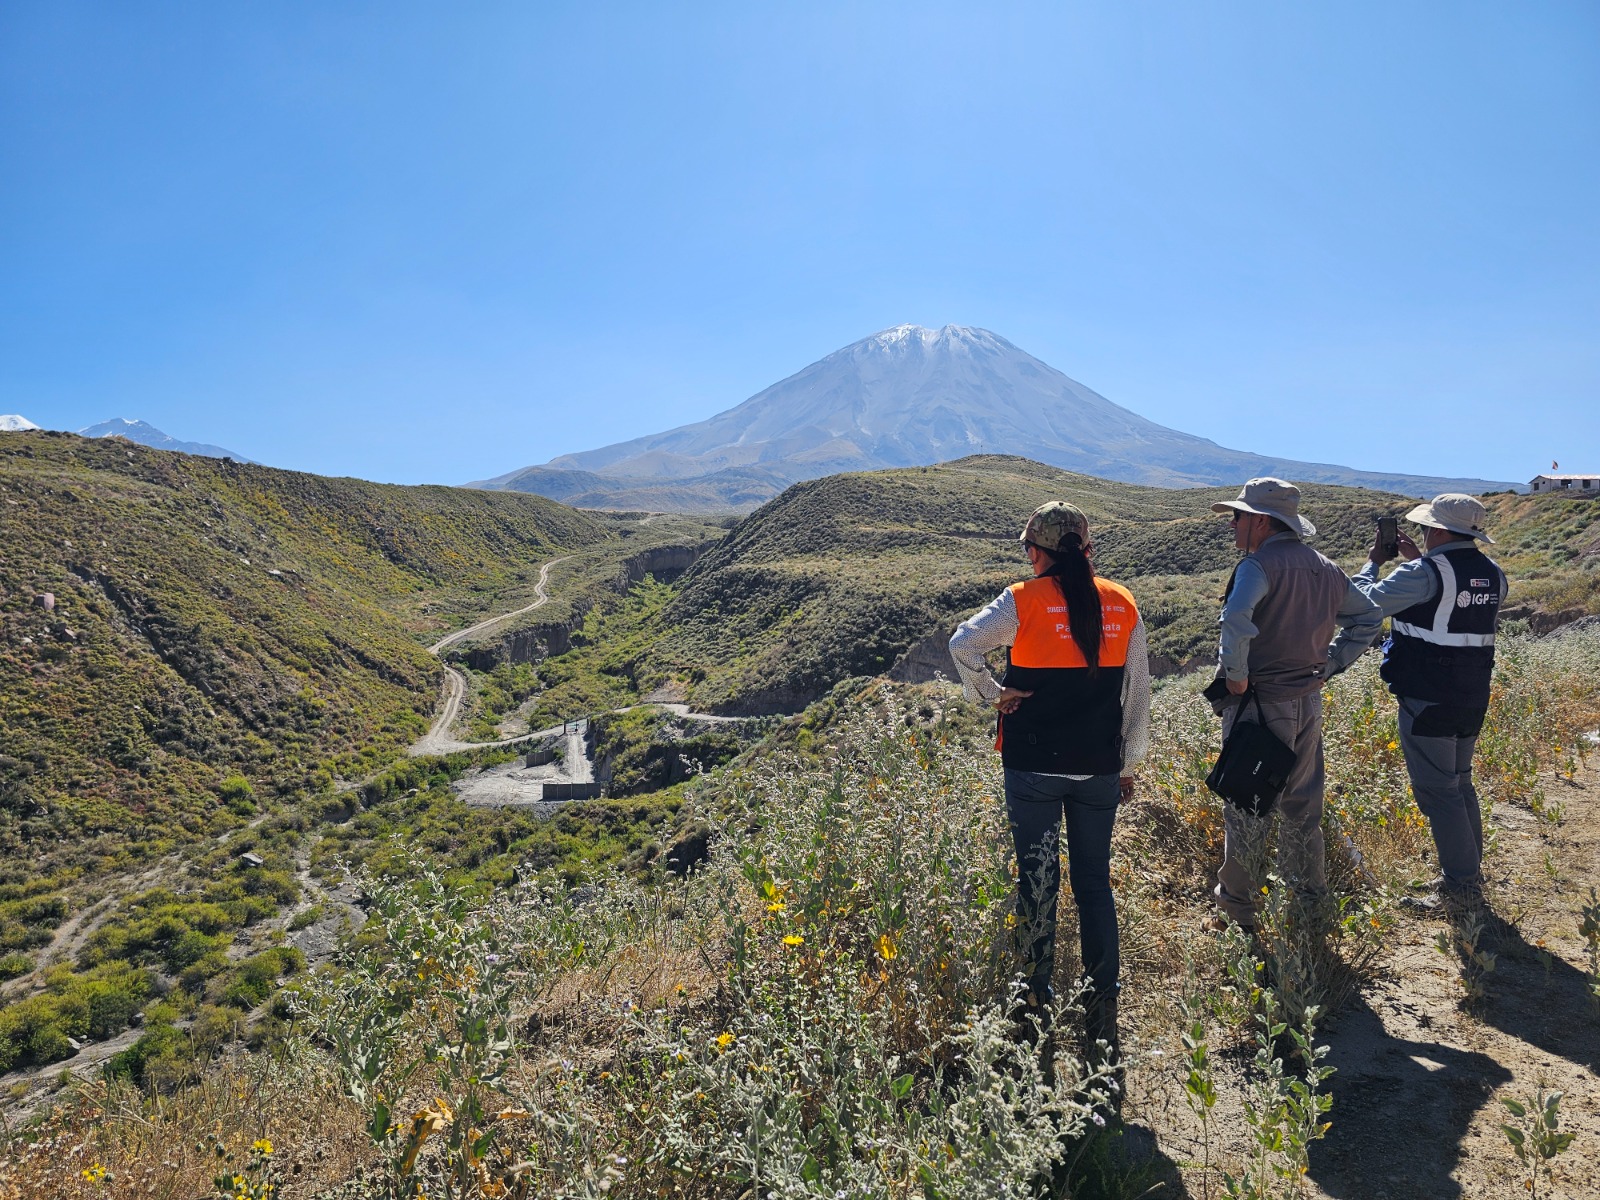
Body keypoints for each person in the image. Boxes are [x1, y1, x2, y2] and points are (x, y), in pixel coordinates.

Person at [948, 501, 1151, 1064]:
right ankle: (1101, 1008)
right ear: (1086, 550)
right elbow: (1138, 695)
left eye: (1028, 550)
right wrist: (1127, 764)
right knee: (1094, 884)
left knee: (1037, 886)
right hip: (1098, 770)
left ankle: (1035, 1005)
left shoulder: (1022, 600)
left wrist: (996, 695)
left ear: (1038, 552)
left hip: (1032, 767)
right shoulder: (1122, 603)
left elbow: (961, 645)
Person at [1208, 478, 1381, 931]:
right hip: (1308, 701)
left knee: (1246, 807)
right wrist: (1333, 664)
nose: (1233, 525)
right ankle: (1308, 907)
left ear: (1261, 522)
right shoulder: (1325, 567)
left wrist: (1238, 675)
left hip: (1261, 707)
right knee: (1302, 808)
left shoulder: (1258, 566)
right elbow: (1368, 617)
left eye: (1238, 517)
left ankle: (1238, 914)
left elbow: (1236, 619)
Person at [1329, 494, 1507, 913]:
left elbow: (1356, 607)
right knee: (1460, 784)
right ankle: (1468, 875)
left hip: (1428, 696)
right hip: (1471, 694)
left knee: (1439, 792)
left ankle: (1461, 889)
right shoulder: (1494, 573)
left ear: (1439, 530)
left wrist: (1374, 562)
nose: (1424, 534)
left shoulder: (1424, 572)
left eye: (1428, 528)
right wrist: (1419, 559)